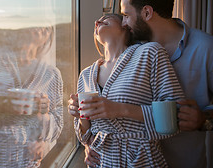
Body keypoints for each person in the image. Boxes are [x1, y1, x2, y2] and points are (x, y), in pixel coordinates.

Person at [81, 0, 213, 168]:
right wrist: (94, 145)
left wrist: (204, 119)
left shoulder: (206, 48)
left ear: (147, 13)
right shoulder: (132, 52)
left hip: (184, 161)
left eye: (126, 15)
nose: (123, 23)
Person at [68, 13, 185, 167]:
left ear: (125, 25)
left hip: (141, 160)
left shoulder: (149, 53)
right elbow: (86, 136)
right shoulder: (85, 74)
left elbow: (176, 115)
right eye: (97, 22)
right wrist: (80, 113)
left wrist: (120, 109)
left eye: (106, 19)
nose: (97, 21)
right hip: (101, 161)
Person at [0, 26, 63, 168]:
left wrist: (43, 139)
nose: (40, 28)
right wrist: (2, 106)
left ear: (47, 39)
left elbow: (58, 121)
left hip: (27, 161)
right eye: (36, 23)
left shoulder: (51, 74)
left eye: (46, 28)